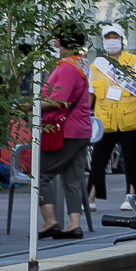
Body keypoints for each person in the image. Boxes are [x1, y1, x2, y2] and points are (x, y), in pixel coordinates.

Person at [37, 26, 94, 238]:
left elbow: (58, 100)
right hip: (80, 128)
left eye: (55, 39)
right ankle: (74, 224)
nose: (53, 43)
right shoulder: (80, 63)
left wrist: (30, 105)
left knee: (40, 172)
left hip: (67, 130)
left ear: (62, 42)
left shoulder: (67, 67)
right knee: (73, 177)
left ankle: (50, 220)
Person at [87, 23, 136, 214]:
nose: (111, 41)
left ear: (122, 40)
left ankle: (131, 196)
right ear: (103, 40)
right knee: (98, 158)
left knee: (131, 159)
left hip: (130, 117)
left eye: (115, 37)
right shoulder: (97, 64)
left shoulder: (133, 60)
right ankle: (89, 197)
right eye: (108, 37)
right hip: (105, 119)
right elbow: (91, 93)